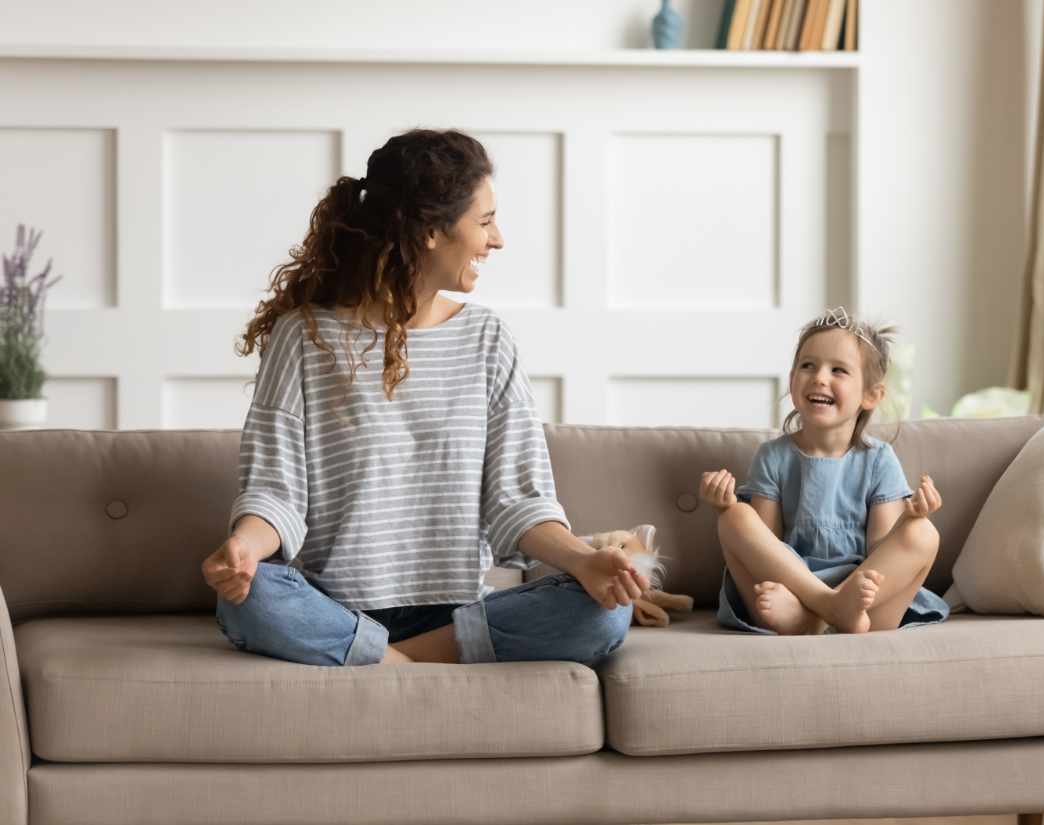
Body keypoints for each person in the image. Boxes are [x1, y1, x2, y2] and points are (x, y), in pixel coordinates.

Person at [200, 129, 647, 667]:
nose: (497, 239)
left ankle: (382, 660)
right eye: (484, 222)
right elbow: (276, 493)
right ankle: (410, 658)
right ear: (432, 230)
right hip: (335, 605)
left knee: (603, 612)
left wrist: (583, 561)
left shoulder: (487, 340)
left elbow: (519, 504)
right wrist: (245, 549)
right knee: (248, 603)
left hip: (453, 611)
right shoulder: (304, 338)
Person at [699, 307, 949, 636]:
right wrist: (723, 504)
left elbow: (881, 552)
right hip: (790, 591)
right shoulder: (774, 456)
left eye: (838, 370)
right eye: (808, 366)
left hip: (863, 604)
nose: (819, 377)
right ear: (792, 380)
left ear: (871, 395)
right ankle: (825, 608)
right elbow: (767, 545)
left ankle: (818, 619)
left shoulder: (879, 460)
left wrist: (909, 519)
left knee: (923, 533)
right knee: (734, 517)